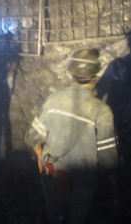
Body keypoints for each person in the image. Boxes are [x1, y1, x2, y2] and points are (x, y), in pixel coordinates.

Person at [26, 48, 120, 224]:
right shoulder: (102, 111)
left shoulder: (53, 100)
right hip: (81, 184)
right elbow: (109, 163)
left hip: (51, 173)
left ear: (71, 72)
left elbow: (34, 138)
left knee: (54, 215)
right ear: (95, 75)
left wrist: (41, 162)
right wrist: (114, 196)